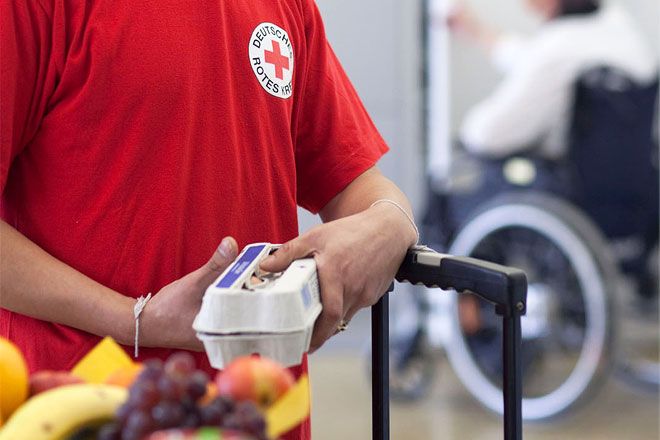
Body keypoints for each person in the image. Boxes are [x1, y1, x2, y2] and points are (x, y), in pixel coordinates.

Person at [0, 1, 418, 438]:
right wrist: (133, 319)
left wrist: (392, 220)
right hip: (93, 411)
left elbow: (355, 184)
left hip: (256, 415)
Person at [448, 0, 658, 158]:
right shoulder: (617, 23)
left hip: (569, 192)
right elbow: (532, 60)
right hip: (629, 190)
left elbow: (487, 135)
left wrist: (463, 133)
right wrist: (476, 31)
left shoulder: (556, 50)